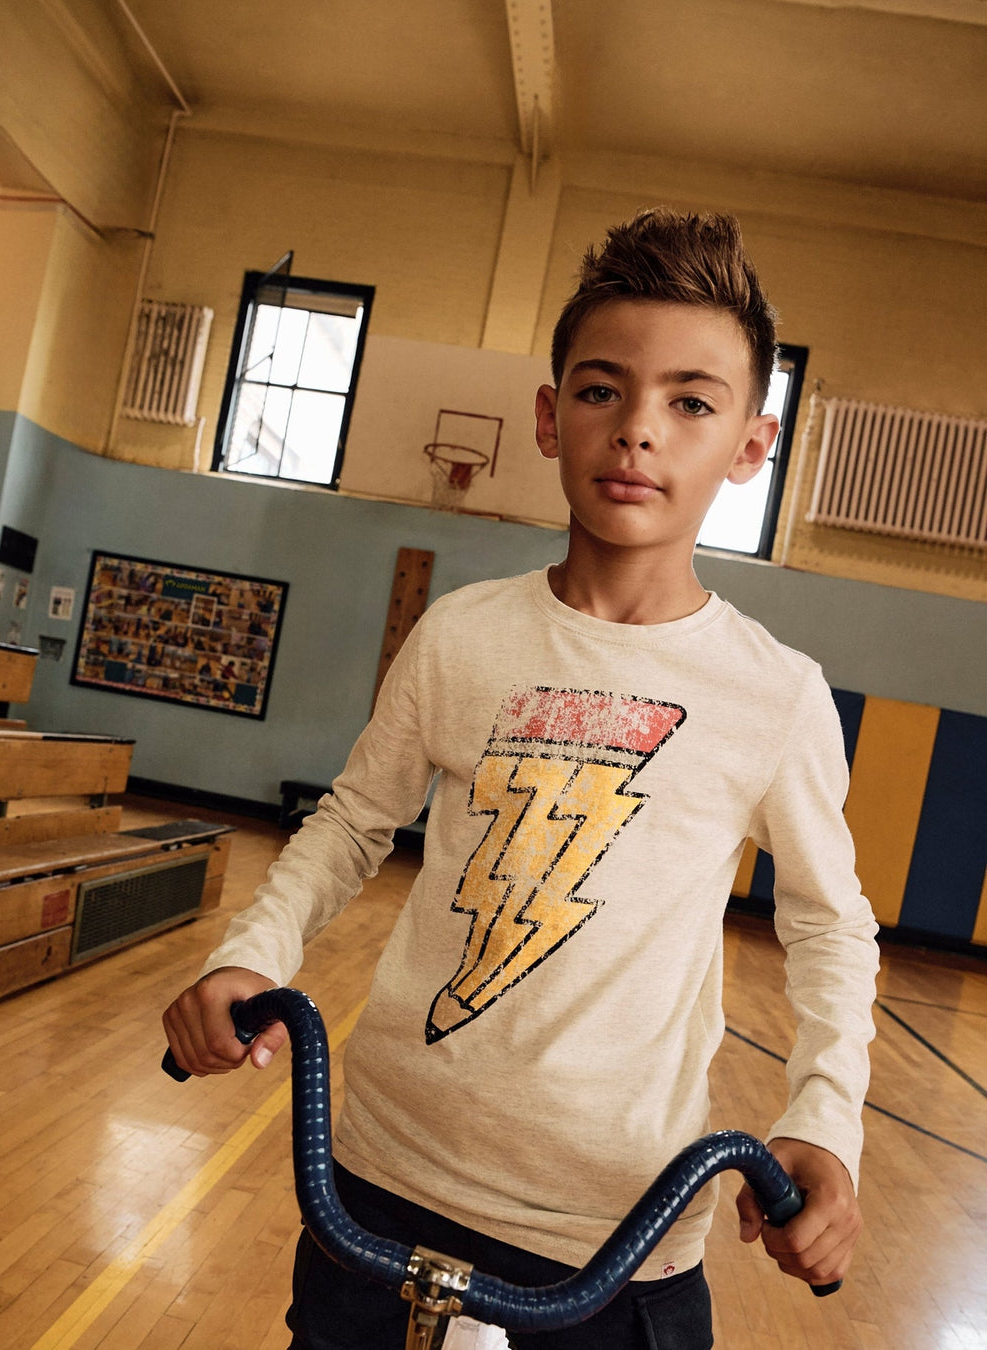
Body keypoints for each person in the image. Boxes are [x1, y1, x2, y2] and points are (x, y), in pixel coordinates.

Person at [163, 208, 879, 1349]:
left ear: (752, 445)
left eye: (692, 402)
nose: (639, 430)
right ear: (551, 418)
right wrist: (252, 952)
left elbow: (832, 928)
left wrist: (824, 1120)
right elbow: (352, 823)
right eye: (602, 390)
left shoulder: (776, 694)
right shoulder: (460, 637)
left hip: (619, 1232)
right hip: (378, 1180)